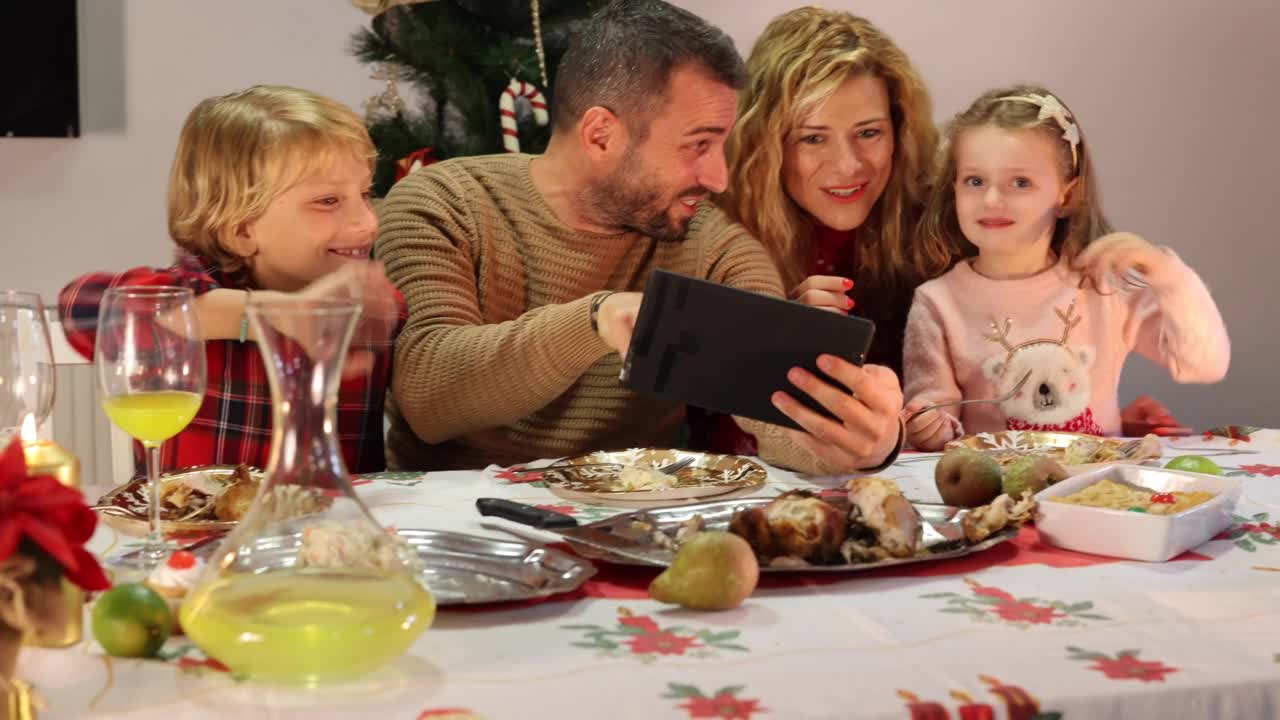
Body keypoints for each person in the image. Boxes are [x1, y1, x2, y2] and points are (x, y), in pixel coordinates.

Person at [375, 0, 903, 474]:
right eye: (698, 145)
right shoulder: (444, 203)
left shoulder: (714, 244)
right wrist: (595, 320)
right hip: (451, 530)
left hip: (634, 532)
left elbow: (776, 421)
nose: (720, 178)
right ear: (601, 134)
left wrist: (865, 440)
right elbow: (428, 398)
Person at [700, 6, 1194, 456]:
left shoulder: (947, 223)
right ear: (766, 141)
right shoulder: (717, 241)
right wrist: (781, 347)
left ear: (899, 128)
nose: (848, 165)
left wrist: (1084, 417)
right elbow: (711, 438)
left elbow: (996, 374)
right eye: (812, 138)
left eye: (869, 132)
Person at [59, 85, 403, 473]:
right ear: (240, 231)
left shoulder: (374, 305)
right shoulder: (188, 296)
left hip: (330, 527)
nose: (368, 222)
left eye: (365, 193)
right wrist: (269, 316)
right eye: (328, 201)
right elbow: (81, 305)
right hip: (198, 531)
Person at [901, 86, 1229, 450]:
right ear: (955, 189)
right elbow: (934, 424)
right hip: (994, 501)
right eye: (975, 181)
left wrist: (1167, 275)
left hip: (1094, 494)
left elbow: (1205, 364)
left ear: (1067, 196)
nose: (992, 199)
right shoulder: (936, 303)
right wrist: (927, 425)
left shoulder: (1103, 286)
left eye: (1020, 182)